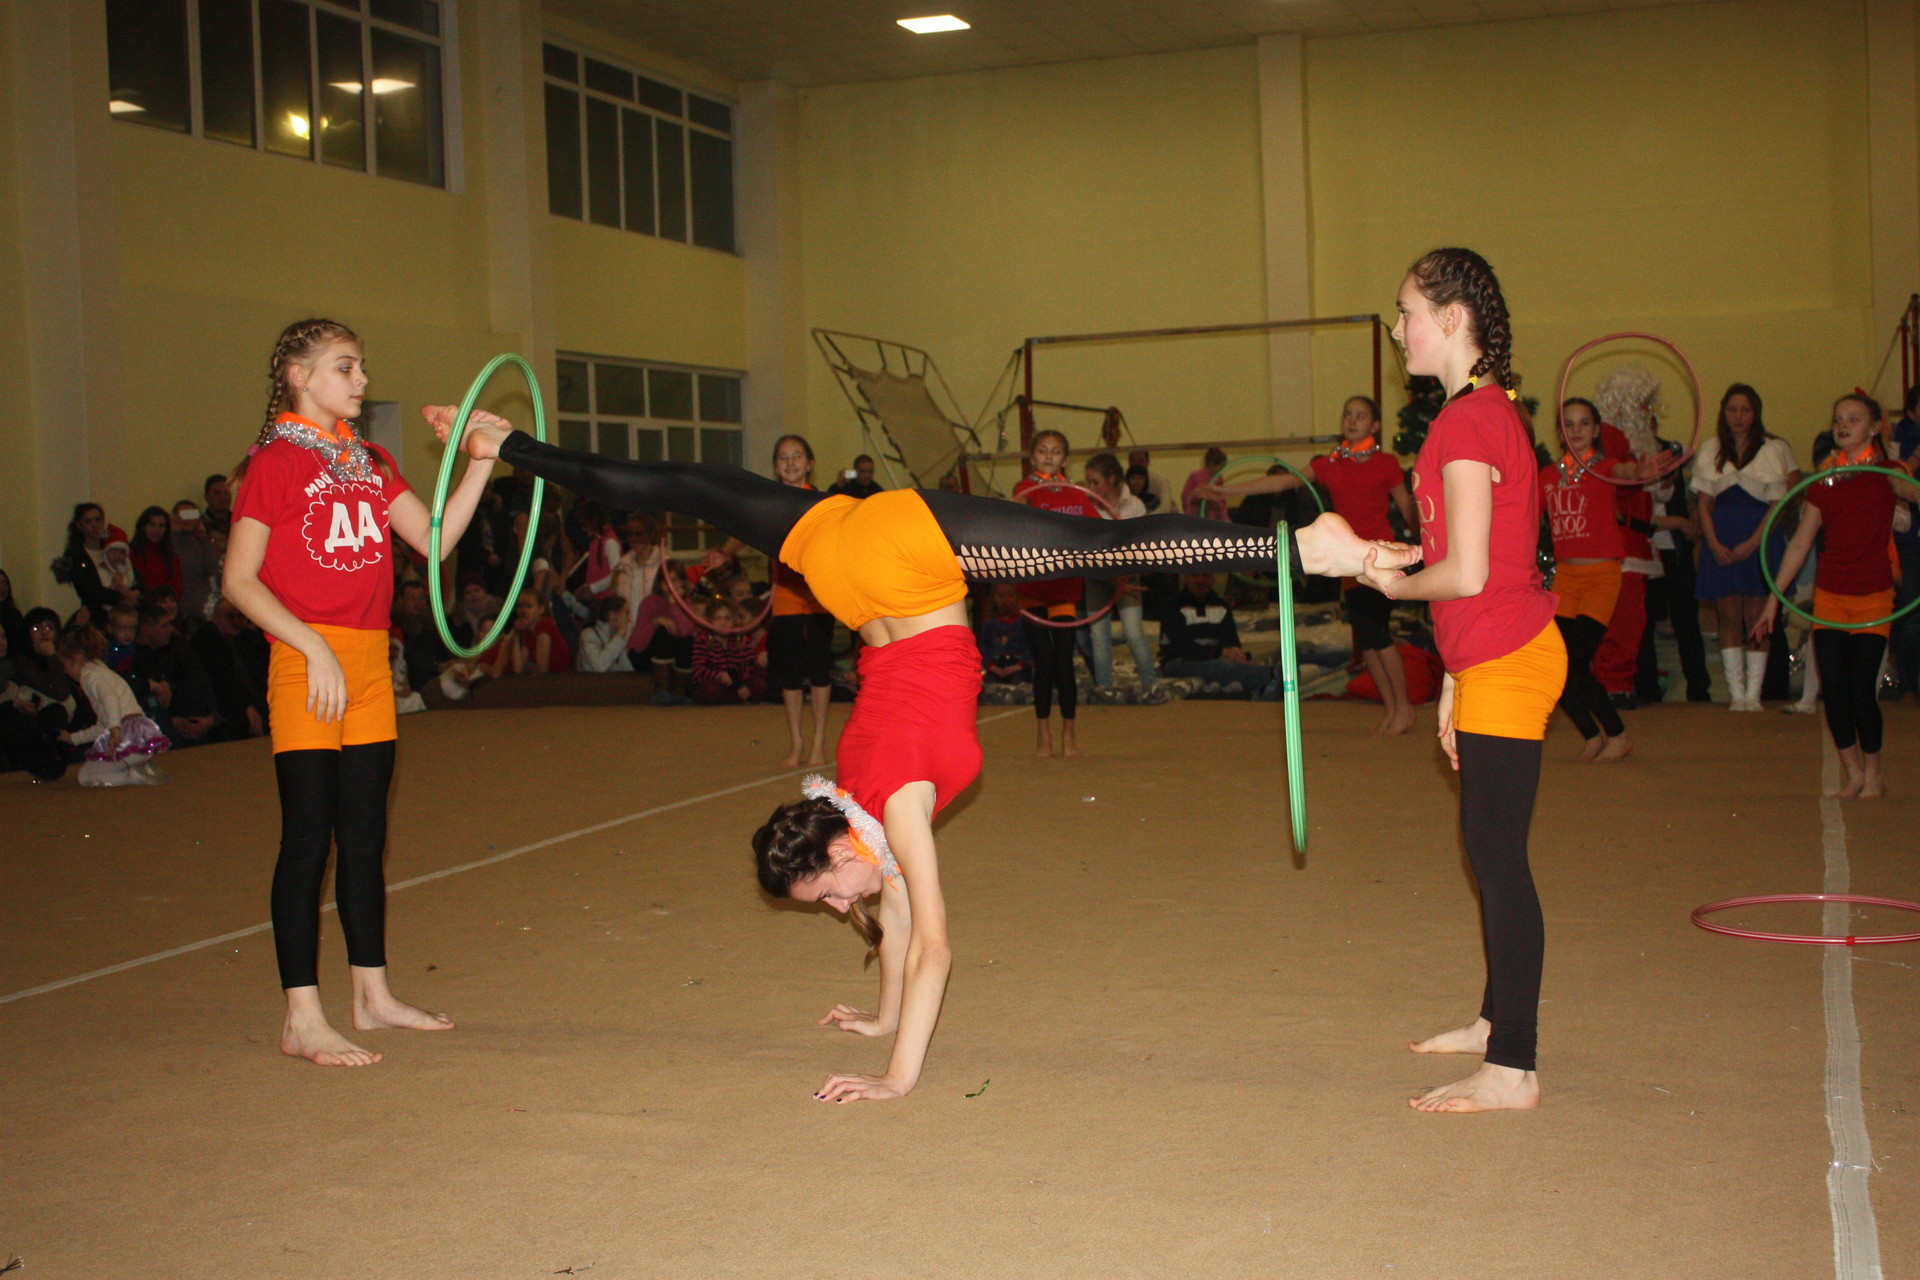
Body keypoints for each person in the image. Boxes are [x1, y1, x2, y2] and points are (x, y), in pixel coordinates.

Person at [426, 404, 1416, 1103]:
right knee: (691, 486)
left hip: (900, 558)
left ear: (830, 849)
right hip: (833, 541)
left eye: (824, 894)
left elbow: (930, 936)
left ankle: (1302, 545)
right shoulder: (857, 797)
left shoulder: (889, 802)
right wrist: (877, 1007)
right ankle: (509, 443)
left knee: (1103, 551)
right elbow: (891, 911)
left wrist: (896, 1070)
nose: (841, 905)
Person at [222, 317, 494, 1067]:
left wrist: (480, 463)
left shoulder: (370, 460)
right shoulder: (274, 462)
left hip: (370, 662)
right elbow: (238, 580)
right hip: (308, 661)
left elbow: (435, 540)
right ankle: (300, 1016)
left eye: (362, 367)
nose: (363, 381)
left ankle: (371, 996)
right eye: (346, 368)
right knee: (310, 838)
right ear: (300, 378)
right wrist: (309, 644)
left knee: (365, 837)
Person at [1357, 247, 1569, 1113]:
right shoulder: (1470, 418)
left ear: (1452, 319)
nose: (1398, 327)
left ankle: (1512, 1065)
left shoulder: (1470, 423)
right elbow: (1481, 560)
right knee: (1489, 853)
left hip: (1511, 654)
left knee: (1496, 858)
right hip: (1492, 654)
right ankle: (1495, 1023)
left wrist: (1391, 582)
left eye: (1407, 310)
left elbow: (1471, 573)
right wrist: (1451, 676)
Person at [1203, 396, 1420, 732]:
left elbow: (1406, 505)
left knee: (1379, 634)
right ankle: (1392, 708)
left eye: (1361, 416)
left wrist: (1423, 544)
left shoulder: (1386, 463)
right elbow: (1283, 481)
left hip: (1380, 557)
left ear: (1375, 426)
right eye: (1347, 414)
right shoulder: (1329, 464)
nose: (1352, 420)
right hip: (1348, 562)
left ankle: (1403, 707)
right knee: (1366, 638)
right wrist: (1225, 490)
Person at [1753, 393, 1919, 798]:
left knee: (1863, 689)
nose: (1843, 425)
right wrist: (1773, 599)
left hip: (1874, 597)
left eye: (1854, 419)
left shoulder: (1888, 473)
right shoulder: (1822, 481)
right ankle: (1854, 774)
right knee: (1836, 690)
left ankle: (1874, 773)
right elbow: (1800, 544)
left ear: (1874, 427)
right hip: (1830, 598)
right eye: (1838, 419)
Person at [1539, 398, 1671, 761]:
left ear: (1596, 430)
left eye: (1584, 423)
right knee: (1556, 665)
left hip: (1601, 578)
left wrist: (1643, 467)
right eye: (1569, 423)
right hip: (1566, 580)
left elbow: (1628, 472)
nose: (1577, 430)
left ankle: (1618, 734)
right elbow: (1522, 513)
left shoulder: (1605, 468)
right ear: (1560, 431)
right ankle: (1592, 734)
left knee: (1577, 661)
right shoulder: (1548, 476)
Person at [707, 436, 834, 766]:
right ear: (777, 467)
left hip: (820, 595)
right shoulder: (768, 501)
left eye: (797, 456)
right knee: (789, 674)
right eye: (783, 458)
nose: (791, 462)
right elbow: (746, 530)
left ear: (809, 463)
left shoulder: (821, 502)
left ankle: (818, 742)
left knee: (819, 671)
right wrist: (724, 554)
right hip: (787, 596)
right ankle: (796, 743)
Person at [1692, 384, 1801, 710]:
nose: (1738, 417)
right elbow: (1703, 504)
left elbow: (1780, 503)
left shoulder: (1774, 448)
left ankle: (1753, 694)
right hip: (1721, 537)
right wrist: (1713, 543)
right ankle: (1736, 694)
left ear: (1756, 414)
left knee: (1757, 615)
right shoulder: (1711, 448)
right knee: (1727, 615)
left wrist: (1755, 542)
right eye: (1732, 410)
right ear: (1723, 413)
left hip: (1761, 536)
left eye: (1745, 410)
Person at [1013, 430, 1096, 758]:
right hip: (1034, 589)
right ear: (1033, 456)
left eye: (1056, 451)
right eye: (1043, 451)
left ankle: (1069, 733)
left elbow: (1095, 530)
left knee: (1064, 662)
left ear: (1065, 458)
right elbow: (1015, 519)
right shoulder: (1025, 489)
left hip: (1064, 588)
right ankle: (1043, 734)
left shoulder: (1077, 494)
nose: (1049, 456)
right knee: (1042, 663)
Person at [1080, 452, 1157, 692]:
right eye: (1088, 482)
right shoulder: (1087, 506)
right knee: (1099, 636)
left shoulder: (1134, 505)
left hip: (1127, 576)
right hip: (1096, 576)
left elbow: (1143, 543)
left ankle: (1149, 685)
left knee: (1133, 632)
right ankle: (1104, 688)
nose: (1091, 488)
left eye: (1095, 482)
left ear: (1111, 479)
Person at [56, 624, 169, 786]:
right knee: (90, 770)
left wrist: (115, 728)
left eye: (65, 665)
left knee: (86, 776)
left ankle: (133, 775)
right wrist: (73, 738)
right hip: (139, 735)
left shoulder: (90, 676)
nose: (65, 671)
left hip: (126, 737)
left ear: (77, 657)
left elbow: (110, 700)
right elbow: (103, 725)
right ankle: (137, 765)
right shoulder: (102, 671)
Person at [1158, 572, 1274, 694]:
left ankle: (1268, 683)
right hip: (1177, 662)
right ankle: (1272, 676)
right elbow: (1182, 648)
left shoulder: (1221, 606)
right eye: (1194, 576)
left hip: (1214, 658)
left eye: (1205, 576)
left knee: (1237, 665)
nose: (1200, 581)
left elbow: (1230, 640)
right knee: (1223, 668)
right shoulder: (1172, 607)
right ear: (1186, 579)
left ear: (1213, 579)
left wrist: (1236, 654)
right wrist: (1220, 652)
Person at [1888, 384, 1920, 701]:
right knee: (1910, 614)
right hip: (1909, 538)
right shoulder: (1900, 437)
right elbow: (1898, 480)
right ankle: (1911, 684)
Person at [690, 600, 769, 704]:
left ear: (733, 621)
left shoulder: (741, 639)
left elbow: (753, 665)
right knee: (710, 689)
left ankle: (736, 698)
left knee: (760, 684)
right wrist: (723, 677)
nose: (723, 623)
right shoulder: (702, 640)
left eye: (727, 618)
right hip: (718, 684)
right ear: (709, 621)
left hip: (739, 682)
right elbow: (699, 671)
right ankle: (735, 699)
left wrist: (735, 678)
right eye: (717, 618)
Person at [171, 501, 222, 620]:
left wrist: (203, 538)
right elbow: (172, 563)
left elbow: (211, 568)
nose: (186, 519)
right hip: (178, 599)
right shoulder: (170, 541)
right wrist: (175, 533)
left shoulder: (203, 541)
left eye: (191, 515)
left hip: (202, 602)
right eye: (182, 515)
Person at [977, 582, 1033, 684]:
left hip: (1018, 666)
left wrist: (1018, 666)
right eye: (1000, 596)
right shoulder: (989, 624)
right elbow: (984, 649)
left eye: (1010, 596)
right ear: (993, 598)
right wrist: (992, 667)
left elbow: (1030, 649)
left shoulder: (1023, 623)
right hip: (995, 666)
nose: (1005, 600)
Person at [576, 595, 636, 673]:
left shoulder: (616, 636)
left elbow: (627, 670)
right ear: (613, 615)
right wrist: (621, 632)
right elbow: (600, 666)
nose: (629, 619)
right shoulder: (588, 634)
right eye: (626, 613)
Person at [1181, 446, 1230, 520]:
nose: (1221, 470)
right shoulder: (1196, 475)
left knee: (1214, 508)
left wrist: (1224, 516)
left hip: (1212, 511)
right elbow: (1185, 495)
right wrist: (1187, 512)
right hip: (1195, 509)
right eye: (1219, 467)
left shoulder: (1218, 477)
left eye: (1222, 467)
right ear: (1211, 464)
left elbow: (1220, 497)